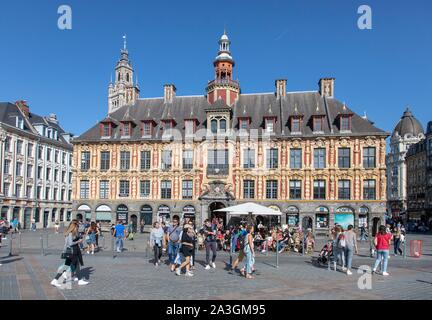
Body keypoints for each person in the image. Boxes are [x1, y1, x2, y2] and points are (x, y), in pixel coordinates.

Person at [51, 221, 88, 287]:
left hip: (70, 252)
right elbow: (70, 243)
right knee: (75, 266)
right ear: (74, 227)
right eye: (76, 227)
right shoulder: (70, 234)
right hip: (72, 252)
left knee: (70, 265)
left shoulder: (69, 233)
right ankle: (79, 280)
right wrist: (78, 241)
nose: (77, 229)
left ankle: (55, 280)